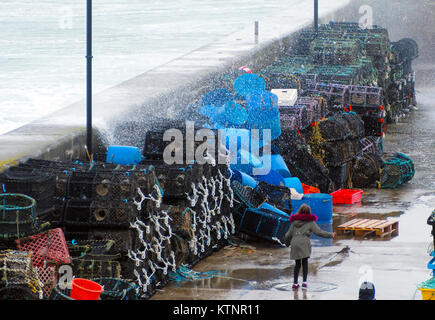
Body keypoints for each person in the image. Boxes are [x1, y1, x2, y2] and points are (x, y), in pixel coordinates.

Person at [284, 204, 335, 290]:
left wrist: (287, 244)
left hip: (295, 243)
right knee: (304, 262)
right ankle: (304, 282)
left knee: (297, 264)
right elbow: (319, 232)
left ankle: (295, 283)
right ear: (309, 212)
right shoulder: (310, 222)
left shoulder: (294, 222)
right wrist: (331, 235)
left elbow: (288, 235)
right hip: (304, 242)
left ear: (299, 211)